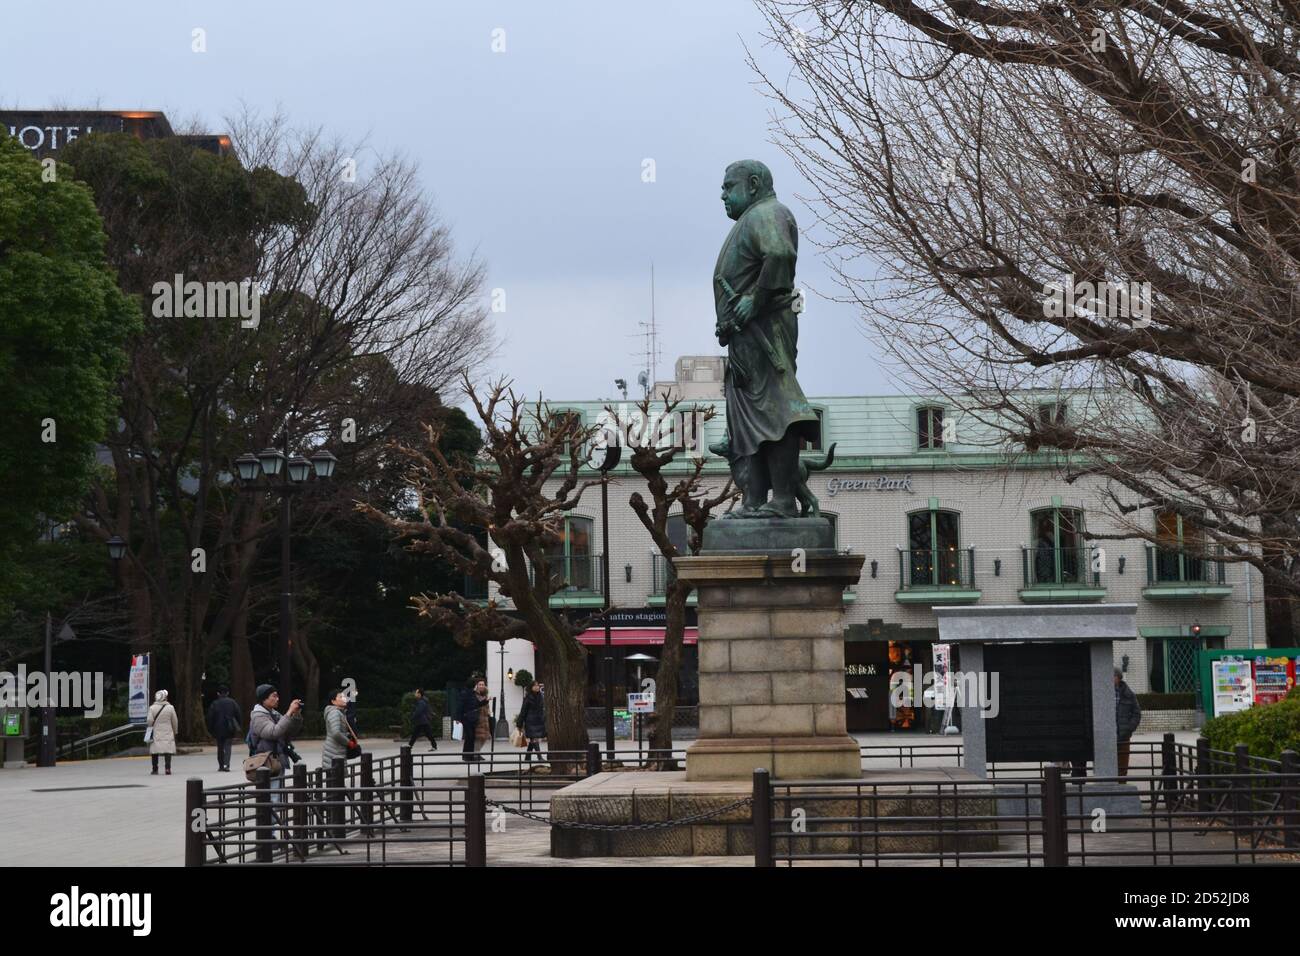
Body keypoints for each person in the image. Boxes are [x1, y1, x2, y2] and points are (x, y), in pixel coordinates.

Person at [206, 686, 241, 772]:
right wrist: (237, 725)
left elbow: (210, 717)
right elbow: (238, 714)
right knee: (228, 746)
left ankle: (221, 765)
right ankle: (227, 764)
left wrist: (210, 729)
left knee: (220, 747)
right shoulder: (232, 702)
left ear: (218, 693)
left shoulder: (215, 703)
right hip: (229, 728)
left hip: (218, 729)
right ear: (227, 693)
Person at [1115, 667, 1142, 777]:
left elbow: (1137, 713)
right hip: (1107, 737)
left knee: (1122, 767)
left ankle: (1122, 788)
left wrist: (1129, 728)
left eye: (1113, 676)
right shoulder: (1103, 692)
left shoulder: (1129, 694)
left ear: (1119, 678)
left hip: (1123, 736)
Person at [459, 678, 492, 763]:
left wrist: (486, 701)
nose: (476, 686)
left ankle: (469, 755)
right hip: (467, 718)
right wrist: (458, 718)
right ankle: (467, 755)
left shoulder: (472, 693)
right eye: (476, 685)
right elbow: (460, 706)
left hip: (472, 719)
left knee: (471, 737)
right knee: (469, 737)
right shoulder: (465, 693)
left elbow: (477, 704)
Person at [147, 690, 178, 775]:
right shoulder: (170, 708)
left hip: (156, 731)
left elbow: (149, 721)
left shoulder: (152, 708)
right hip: (168, 731)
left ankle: (155, 769)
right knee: (168, 751)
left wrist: (151, 727)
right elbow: (174, 721)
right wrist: (175, 731)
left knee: (155, 751)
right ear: (165, 697)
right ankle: (167, 768)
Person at [321, 688, 353, 770]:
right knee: (336, 779)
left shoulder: (339, 712)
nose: (344, 698)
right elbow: (336, 733)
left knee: (335, 780)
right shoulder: (335, 713)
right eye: (341, 697)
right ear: (333, 701)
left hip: (335, 751)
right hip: (335, 753)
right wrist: (348, 742)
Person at [518, 680, 546, 764]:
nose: (537, 687)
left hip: (538, 720)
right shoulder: (528, 697)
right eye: (535, 686)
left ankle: (527, 756)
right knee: (534, 738)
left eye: (538, 685)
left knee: (533, 739)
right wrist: (519, 723)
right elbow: (523, 710)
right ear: (531, 687)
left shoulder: (541, 696)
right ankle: (539, 757)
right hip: (530, 721)